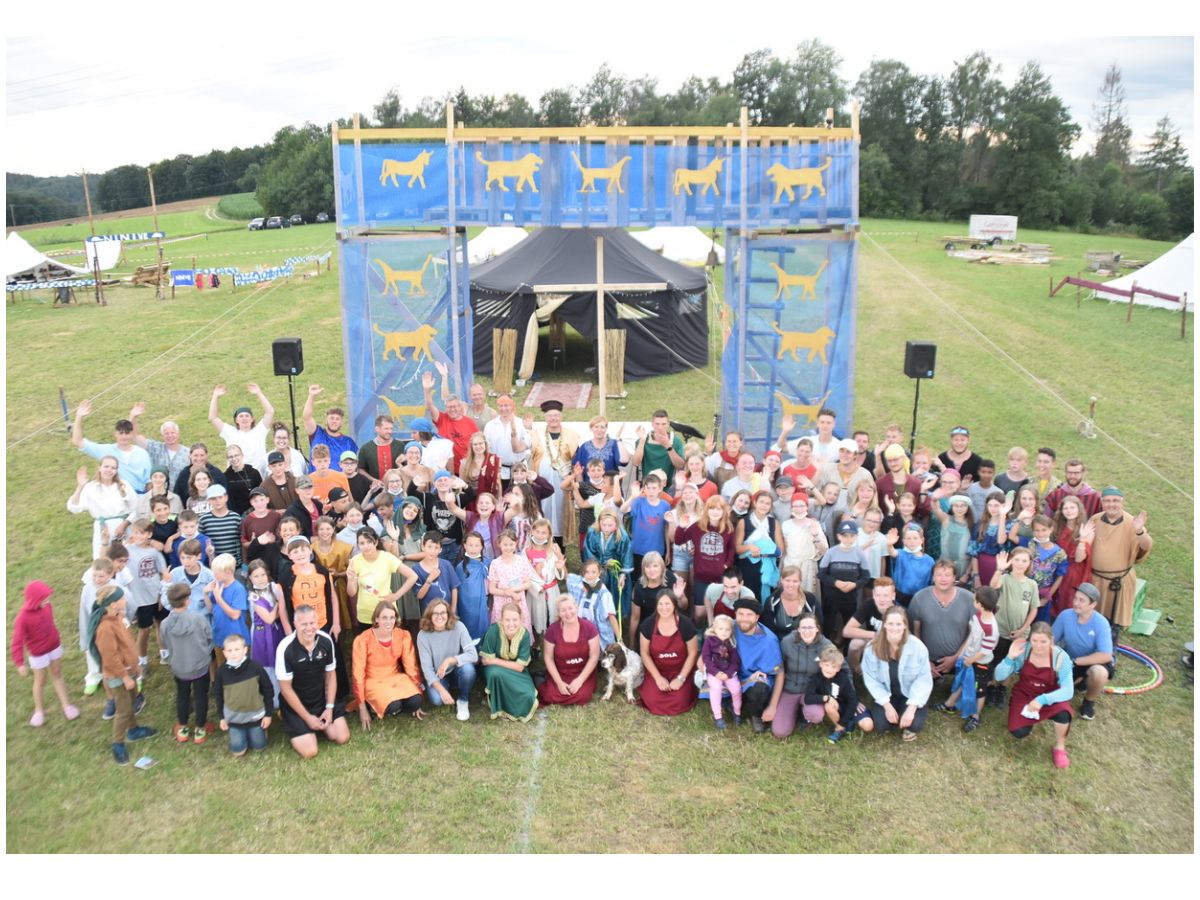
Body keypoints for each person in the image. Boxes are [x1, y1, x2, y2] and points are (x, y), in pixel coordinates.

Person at [993, 622, 1076, 769]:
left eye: (1043, 641)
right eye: (1034, 641)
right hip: (1024, 694)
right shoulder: (1023, 652)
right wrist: (1009, 658)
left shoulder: (1061, 658)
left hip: (1049, 696)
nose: (1038, 646)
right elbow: (999, 676)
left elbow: (1068, 691)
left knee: (1063, 714)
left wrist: (1042, 700)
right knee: (1018, 732)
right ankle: (1029, 719)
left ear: (1051, 640)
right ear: (1030, 640)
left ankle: (1060, 748)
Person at [89, 586, 156, 764]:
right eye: (122, 598)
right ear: (113, 604)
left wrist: (136, 667)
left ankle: (133, 730)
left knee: (132, 701)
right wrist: (125, 677)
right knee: (123, 709)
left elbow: (127, 645)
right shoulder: (105, 628)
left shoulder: (118, 618)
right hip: (119, 676)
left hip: (130, 670)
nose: (125, 600)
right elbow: (109, 657)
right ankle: (117, 743)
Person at [275, 604, 350, 759]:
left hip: (320, 697)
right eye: (304, 624)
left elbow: (330, 675)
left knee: (341, 737)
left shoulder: (326, 640)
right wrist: (307, 718)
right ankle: (296, 721)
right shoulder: (285, 647)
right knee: (310, 752)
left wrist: (329, 708)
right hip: (296, 702)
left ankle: (322, 722)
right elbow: (285, 689)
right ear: (295, 624)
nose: (309, 628)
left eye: (312, 623)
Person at [1083, 486, 1152, 648]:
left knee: (1113, 623)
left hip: (1119, 581)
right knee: (1092, 617)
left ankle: (1109, 652)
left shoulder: (1132, 522)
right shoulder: (1095, 520)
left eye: (1115, 501)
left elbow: (1147, 546)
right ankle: (1089, 646)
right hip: (1096, 579)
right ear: (1102, 502)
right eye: (1107, 501)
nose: (1111, 504)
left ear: (1122, 502)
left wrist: (1140, 531)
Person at [11, 581, 80, 727]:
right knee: (40, 681)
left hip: (54, 647)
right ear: (34, 600)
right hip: (38, 654)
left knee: (57, 673)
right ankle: (39, 711)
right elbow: (17, 642)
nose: (48, 601)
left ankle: (66, 705)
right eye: (44, 599)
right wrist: (19, 663)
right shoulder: (22, 618)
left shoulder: (47, 606)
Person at [861, 606, 933, 742]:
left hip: (910, 694)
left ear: (905, 625)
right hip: (887, 694)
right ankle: (892, 714)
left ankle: (908, 716)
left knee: (914, 724)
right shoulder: (872, 648)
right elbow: (871, 680)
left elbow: (923, 681)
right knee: (881, 726)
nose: (895, 628)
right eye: (890, 624)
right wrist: (886, 706)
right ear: (884, 625)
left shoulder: (918, 647)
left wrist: (911, 709)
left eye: (899, 624)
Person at [934, 586, 999, 732]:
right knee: (964, 681)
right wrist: (963, 653)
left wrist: (971, 660)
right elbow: (971, 636)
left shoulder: (990, 627)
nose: (973, 601)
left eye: (975, 600)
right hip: (968, 658)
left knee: (979, 690)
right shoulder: (977, 616)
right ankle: (949, 704)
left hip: (980, 664)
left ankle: (975, 716)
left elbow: (985, 650)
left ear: (981, 604)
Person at [351, 601, 424, 730]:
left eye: (392, 617)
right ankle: (370, 705)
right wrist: (361, 708)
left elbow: (411, 666)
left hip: (394, 676)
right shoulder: (363, 640)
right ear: (377, 619)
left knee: (416, 701)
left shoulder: (403, 635)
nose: (389, 621)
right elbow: (358, 675)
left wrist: (416, 689)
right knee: (393, 706)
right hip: (372, 680)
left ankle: (398, 702)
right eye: (384, 617)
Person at [765, 611, 833, 738]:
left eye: (811, 627)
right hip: (790, 689)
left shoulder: (826, 645)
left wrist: (851, 697)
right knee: (780, 732)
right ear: (798, 629)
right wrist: (772, 703)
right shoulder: (787, 642)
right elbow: (778, 668)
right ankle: (793, 712)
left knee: (815, 715)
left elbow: (842, 667)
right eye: (803, 627)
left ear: (817, 629)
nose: (807, 631)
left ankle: (805, 716)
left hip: (812, 691)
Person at [160, 582, 213, 744]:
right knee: (201, 696)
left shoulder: (165, 624)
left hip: (179, 667)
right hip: (200, 666)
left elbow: (165, 642)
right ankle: (200, 730)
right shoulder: (198, 618)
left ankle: (183, 728)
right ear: (187, 601)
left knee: (182, 696)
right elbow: (209, 637)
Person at [1052, 583, 1114, 721]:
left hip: (1094, 661)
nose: (1076, 603)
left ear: (1093, 605)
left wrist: (1075, 662)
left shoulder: (1101, 623)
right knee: (1053, 690)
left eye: (1081, 600)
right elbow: (1051, 640)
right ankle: (1080, 681)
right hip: (1070, 659)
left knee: (1099, 673)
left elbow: (1105, 654)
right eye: (1075, 598)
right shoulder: (1065, 616)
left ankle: (1088, 702)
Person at [908, 560, 974, 680]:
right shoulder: (919, 598)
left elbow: (974, 633)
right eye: (939, 575)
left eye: (947, 575)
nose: (943, 579)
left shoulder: (969, 598)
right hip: (928, 659)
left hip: (961, 657)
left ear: (954, 577)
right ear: (933, 577)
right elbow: (915, 633)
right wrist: (925, 660)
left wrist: (956, 657)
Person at [638, 590, 699, 716]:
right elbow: (644, 653)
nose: (664, 608)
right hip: (657, 669)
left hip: (681, 670)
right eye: (660, 604)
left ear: (674, 605)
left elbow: (693, 653)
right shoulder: (648, 624)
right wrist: (658, 678)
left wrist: (681, 679)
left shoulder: (686, 624)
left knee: (679, 701)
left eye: (668, 604)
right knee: (652, 700)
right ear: (656, 605)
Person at [70, 399, 152, 492]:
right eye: (121, 433)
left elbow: (148, 481)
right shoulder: (106, 451)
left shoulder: (142, 454)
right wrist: (79, 416)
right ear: (115, 434)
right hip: (114, 497)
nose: (124, 436)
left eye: (127, 433)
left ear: (132, 434)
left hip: (138, 497)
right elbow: (77, 441)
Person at [214, 633, 275, 756]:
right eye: (229, 650)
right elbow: (219, 696)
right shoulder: (221, 672)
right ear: (224, 653)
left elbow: (268, 690)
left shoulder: (256, 668)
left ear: (245, 650)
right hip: (234, 718)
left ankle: (260, 733)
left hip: (255, 716)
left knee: (259, 747)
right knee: (238, 751)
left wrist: (268, 714)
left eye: (237, 649)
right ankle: (240, 734)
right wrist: (222, 717)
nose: (233, 653)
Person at [417, 598, 478, 720]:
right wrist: (441, 690)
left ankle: (462, 700)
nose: (439, 616)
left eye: (443, 613)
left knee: (468, 670)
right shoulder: (422, 635)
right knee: (437, 700)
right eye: (435, 613)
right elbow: (427, 670)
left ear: (448, 614)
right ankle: (446, 688)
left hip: (456, 671)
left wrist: (449, 660)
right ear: (429, 615)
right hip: (437, 675)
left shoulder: (459, 626)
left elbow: (473, 655)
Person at [347, 529, 417, 632]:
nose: (366, 546)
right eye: (362, 543)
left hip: (387, 614)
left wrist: (396, 596)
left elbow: (413, 576)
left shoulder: (387, 558)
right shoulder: (355, 561)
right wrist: (350, 579)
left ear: (375, 542)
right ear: (358, 545)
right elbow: (351, 593)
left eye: (369, 542)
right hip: (365, 614)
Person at [730, 597, 782, 732]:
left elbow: (780, 672)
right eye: (740, 614)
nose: (744, 618)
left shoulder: (769, 640)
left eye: (749, 614)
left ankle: (755, 715)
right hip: (732, 673)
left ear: (757, 617)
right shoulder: (728, 627)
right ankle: (729, 705)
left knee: (759, 689)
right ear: (735, 614)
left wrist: (773, 705)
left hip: (755, 677)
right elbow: (710, 641)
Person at [538, 595, 602, 707]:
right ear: (559, 613)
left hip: (582, 672)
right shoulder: (552, 630)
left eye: (570, 608)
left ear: (576, 607)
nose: (568, 613)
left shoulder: (589, 628)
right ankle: (542, 679)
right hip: (561, 673)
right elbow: (548, 658)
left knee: (583, 696)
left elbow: (594, 656)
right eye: (563, 610)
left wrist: (580, 680)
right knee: (549, 696)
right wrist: (559, 683)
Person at [479, 602, 538, 722]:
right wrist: (502, 663)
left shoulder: (524, 635)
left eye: (515, 619)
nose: (511, 624)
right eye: (507, 620)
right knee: (496, 674)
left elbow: (520, 667)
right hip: (495, 671)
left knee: (527, 696)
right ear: (501, 619)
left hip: (517, 672)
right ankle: (499, 707)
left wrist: (495, 660)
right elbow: (485, 660)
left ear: (521, 619)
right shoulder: (493, 630)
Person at [67, 457, 135, 559]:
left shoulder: (124, 485)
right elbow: (74, 507)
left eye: (113, 468)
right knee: (103, 561)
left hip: (123, 529)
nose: (109, 470)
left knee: (126, 559)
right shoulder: (91, 487)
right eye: (106, 466)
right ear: (100, 468)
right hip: (103, 529)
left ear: (116, 470)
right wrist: (80, 486)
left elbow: (136, 508)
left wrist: (125, 524)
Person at [806, 645, 873, 743]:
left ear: (838, 668)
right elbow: (808, 698)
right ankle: (840, 730)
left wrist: (843, 721)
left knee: (868, 726)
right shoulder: (816, 679)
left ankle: (848, 723)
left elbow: (852, 700)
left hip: (850, 706)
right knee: (828, 706)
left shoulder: (843, 678)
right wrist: (826, 698)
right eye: (826, 665)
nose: (829, 669)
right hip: (836, 707)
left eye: (833, 667)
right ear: (820, 664)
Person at [817, 520, 870, 641]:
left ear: (856, 536)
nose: (848, 539)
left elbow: (866, 577)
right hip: (831, 597)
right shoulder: (831, 552)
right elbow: (821, 574)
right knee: (829, 625)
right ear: (838, 536)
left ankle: (847, 652)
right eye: (845, 536)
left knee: (848, 626)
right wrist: (836, 583)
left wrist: (855, 585)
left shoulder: (860, 554)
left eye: (852, 536)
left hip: (850, 597)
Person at [422, 363, 479, 473]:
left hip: (466, 469)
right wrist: (427, 390)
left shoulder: (470, 423)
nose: (453, 409)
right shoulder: (442, 419)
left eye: (455, 406)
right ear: (445, 408)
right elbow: (429, 405)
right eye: (450, 407)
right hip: (445, 469)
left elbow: (477, 444)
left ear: (460, 407)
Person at [209, 383, 275, 472]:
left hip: (258, 476)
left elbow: (270, 412)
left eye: (247, 416)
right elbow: (213, 417)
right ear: (236, 420)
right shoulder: (230, 432)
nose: (244, 418)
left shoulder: (260, 431)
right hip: (236, 475)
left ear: (252, 419)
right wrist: (215, 396)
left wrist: (259, 393)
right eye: (241, 416)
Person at [735, 490, 783, 603]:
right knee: (749, 598)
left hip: (768, 566)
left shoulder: (774, 523)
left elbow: (780, 549)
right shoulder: (743, 522)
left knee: (767, 599)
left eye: (767, 503)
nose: (764, 506)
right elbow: (737, 548)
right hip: (748, 567)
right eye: (761, 502)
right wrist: (750, 547)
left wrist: (763, 551)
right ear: (755, 503)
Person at [1050, 496, 1094, 619]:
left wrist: (1082, 539)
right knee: (1054, 600)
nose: (1069, 511)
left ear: (1079, 509)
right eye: (1066, 508)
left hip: (1074, 572)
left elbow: (1079, 558)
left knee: (1069, 601)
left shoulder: (1087, 530)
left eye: (1072, 507)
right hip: (1058, 568)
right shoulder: (1057, 527)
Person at [127, 403, 190, 487]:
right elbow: (135, 436)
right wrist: (133, 417)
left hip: (178, 496)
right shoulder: (155, 447)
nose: (170, 436)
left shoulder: (188, 452)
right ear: (162, 436)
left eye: (173, 433)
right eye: (166, 433)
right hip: (157, 493)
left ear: (178, 434)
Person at [842, 576, 897, 672]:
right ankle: (854, 671)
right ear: (873, 595)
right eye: (878, 595)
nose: (882, 599)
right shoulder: (869, 604)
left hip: (890, 645)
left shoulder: (899, 613)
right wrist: (875, 635)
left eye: (886, 595)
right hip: (873, 640)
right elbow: (846, 631)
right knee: (855, 644)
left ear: (893, 596)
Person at [565, 559, 620, 649]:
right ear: (583, 573)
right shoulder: (580, 584)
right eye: (587, 572)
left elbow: (611, 617)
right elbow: (567, 577)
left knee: (598, 652)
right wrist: (561, 566)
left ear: (599, 573)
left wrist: (619, 639)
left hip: (597, 630)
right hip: (582, 628)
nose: (590, 575)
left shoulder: (604, 594)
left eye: (594, 572)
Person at [701, 614, 742, 729]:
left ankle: (737, 712)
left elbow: (735, 661)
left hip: (728, 672)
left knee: (736, 689)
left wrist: (728, 673)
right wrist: (716, 673)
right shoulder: (709, 641)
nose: (724, 632)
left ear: (731, 631)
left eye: (727, 629)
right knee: (716, 688)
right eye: (720, 629)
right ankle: (718, 716)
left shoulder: (731, 643)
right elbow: (706, 658)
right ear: (714, 629)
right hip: (714, 672)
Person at [302, 384, 358, 466]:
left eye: (337, 419)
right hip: (317, 478)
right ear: (326, 420)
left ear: (341, 422)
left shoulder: (348, 442)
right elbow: (307, 417)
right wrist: (311, 396)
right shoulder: (317, 433)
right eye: (332, 418)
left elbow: (352, 465)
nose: (334, 421)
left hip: (339, 478)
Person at [764, 565, 822, 640]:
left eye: (795, 581)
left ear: (800, 582)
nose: (791, 585)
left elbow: (819, 625)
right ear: (781, 580)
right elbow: (768, 631)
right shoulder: (772, 601)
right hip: (779, 645)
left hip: (805, 644)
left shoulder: (810, 600)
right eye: (787, 580)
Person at [483, 395, 530, 486]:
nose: (503, 408)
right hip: (500, 472)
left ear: (512, 406)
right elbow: (487, 449)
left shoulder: (521, 423)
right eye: (501, 405)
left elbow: (526, 446)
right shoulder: (490, 425)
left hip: (519, 472)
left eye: (506, 405)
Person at [454, 533, 491, 643]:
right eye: (470, 545)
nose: (473, 549)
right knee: (467, 631)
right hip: (466, 607)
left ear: (482, 547)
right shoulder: (460, 567)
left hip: (483, 604)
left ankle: (483, 654)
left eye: (476, 545)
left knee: (483, 629)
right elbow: (458, 590)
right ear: (465, 546)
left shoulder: (487, 563)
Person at [631, 410, 687, 482]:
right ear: (652, 424)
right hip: (648, 486)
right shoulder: (644, 439)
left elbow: (680, 466)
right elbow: (636, 463)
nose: (660, 427)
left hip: (668, 487)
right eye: (657, 424)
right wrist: (642, 440)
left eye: (663, 424)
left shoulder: (675, 441)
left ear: (668, 424)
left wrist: (668, 446)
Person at [357, 415, 405, 481]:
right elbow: (360, 469)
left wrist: (400, 465)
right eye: (386, 429)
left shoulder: (400, 446)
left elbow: (407, 468)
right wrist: (373, 480)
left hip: (397, 488)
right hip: (375, 489)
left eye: (391, 428)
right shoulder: (366, 448)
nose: (390, 431)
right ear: (377, 429)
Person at [459, 432, 503, 499]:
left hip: (489, 500)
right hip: (471, 500)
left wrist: (499, 500)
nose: (478, 446)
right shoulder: (464, 463)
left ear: (485, 444)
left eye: (480, 443)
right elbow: (461, 485)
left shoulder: (493, 461)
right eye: (475, 444)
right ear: (471, 446)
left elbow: (498, 484)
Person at [222, 445, 262, 515]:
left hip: (255, 511)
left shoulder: (254, 472)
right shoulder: (225, 477)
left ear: (242, 455)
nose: (234, 459)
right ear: (227, 459)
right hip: (236, 514)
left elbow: (261, 493)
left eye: (236, 455)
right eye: (231, 457)